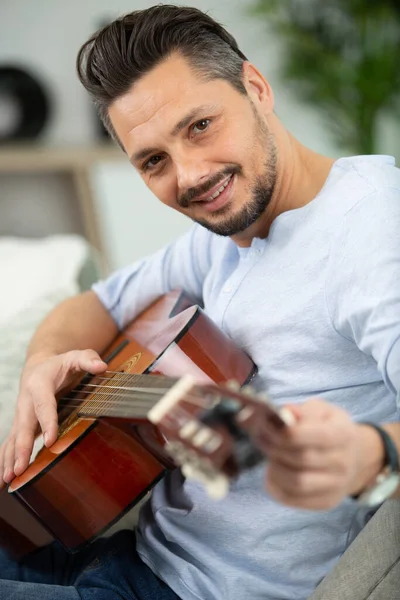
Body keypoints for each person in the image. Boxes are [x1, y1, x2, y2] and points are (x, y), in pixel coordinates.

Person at [0, 5, 399, 600]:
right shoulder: (227, 234)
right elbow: (94, 305)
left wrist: (374, 453)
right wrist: (43, 361)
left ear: (256, 89)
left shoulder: (373, 234)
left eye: (200, 126)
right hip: (119, 548)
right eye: (153, 161)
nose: (189, 176)